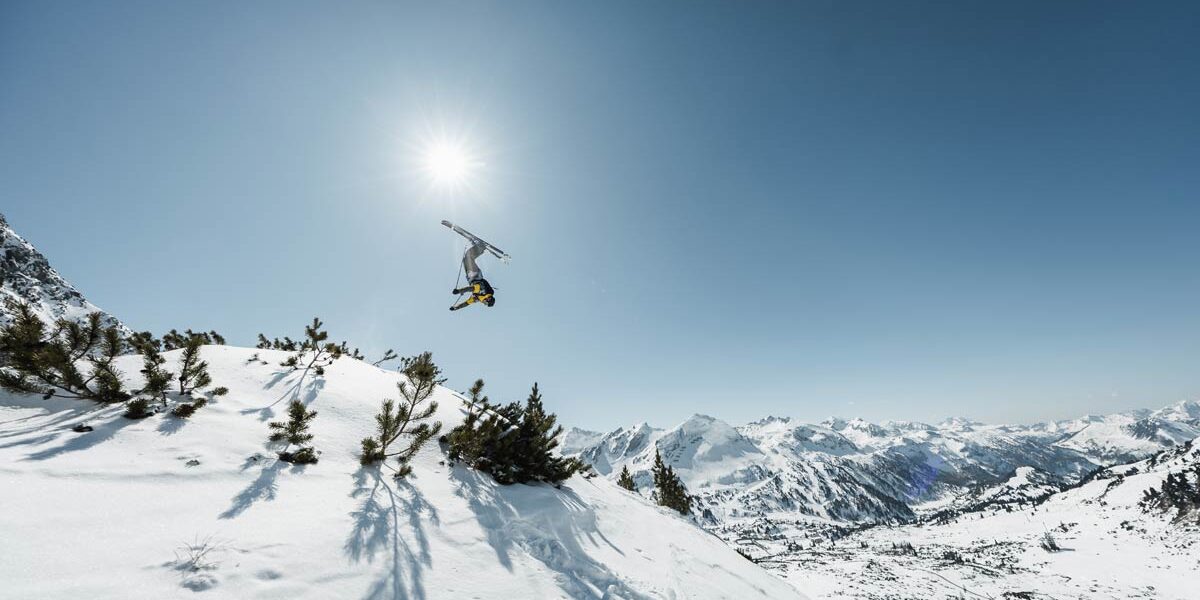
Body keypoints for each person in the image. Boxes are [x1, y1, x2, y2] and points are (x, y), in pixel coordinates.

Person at [450, 240, 496, 310]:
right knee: (469, 257)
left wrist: (456, 307)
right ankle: (481, 247)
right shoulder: (483, 292)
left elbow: (466, 303)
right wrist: (459, 291)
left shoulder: (477, 298)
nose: (484, 303)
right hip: (476, 275)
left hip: (470, 276)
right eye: (486, 303)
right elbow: (470, 288)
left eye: (485, 304)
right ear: (488, 299)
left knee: (465, 260)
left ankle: (476, 247)